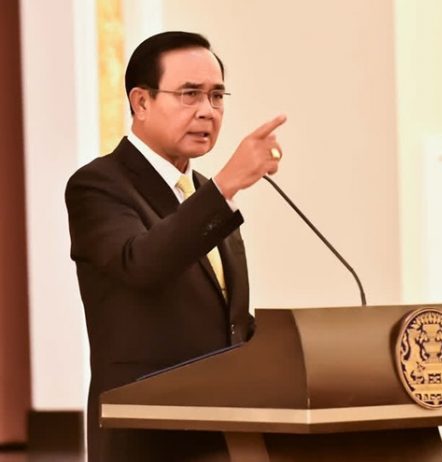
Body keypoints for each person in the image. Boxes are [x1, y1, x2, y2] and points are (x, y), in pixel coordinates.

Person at [65, 31, 286, 462]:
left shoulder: (201, 193)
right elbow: (141, 264)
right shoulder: (98, 185)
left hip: (225, 433)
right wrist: (226, 186)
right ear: (141, 102)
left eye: (217, 96)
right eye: (190, 94)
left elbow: (224, 318)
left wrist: (292, 344)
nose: (207, 111)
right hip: (147, 436)